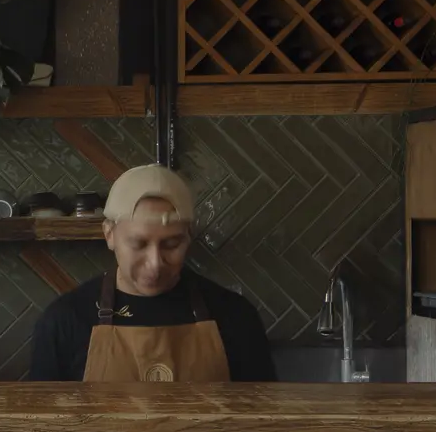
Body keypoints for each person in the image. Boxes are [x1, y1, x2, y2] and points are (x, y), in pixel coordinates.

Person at [29, 163, 274, 384]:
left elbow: (263, 415)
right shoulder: (64, 322)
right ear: (109, 235)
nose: (155, 264)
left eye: (171, 244)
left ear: (188, 236)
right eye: (138, 244)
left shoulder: (235, 316)